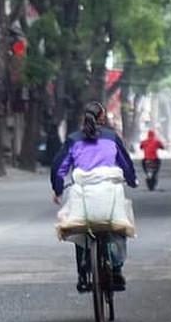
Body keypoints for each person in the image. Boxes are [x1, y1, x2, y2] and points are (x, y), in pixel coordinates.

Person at [50, 101, 138, 292]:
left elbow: (59, 168)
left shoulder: (73, 139)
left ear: (84, 118)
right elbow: (126, 164)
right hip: (109, 191)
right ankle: (116, 270)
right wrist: (131, 181)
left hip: (82, 192)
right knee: (118, 226)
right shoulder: (112, 137)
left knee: (80, 228)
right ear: (102, 119)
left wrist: (57, 190)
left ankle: (83, 273)